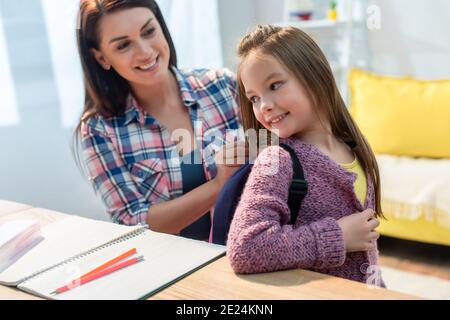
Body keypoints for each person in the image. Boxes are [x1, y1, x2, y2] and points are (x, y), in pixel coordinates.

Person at [226, 25, 385, 286]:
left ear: (315, 75)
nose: (263, 105)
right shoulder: (277, 161)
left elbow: (367, 258)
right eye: (253, 98)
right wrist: (338, 237)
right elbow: (245, 248)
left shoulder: (351, 147)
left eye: (274, 85)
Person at [74, 0, 244, 242]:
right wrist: (219, 185)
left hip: (251, 251)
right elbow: (132, 223)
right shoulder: (99, 129)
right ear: (102, 58)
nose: (145, 52)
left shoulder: (223, 86)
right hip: (175, 272)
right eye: (123, 45)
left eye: (149, 31)